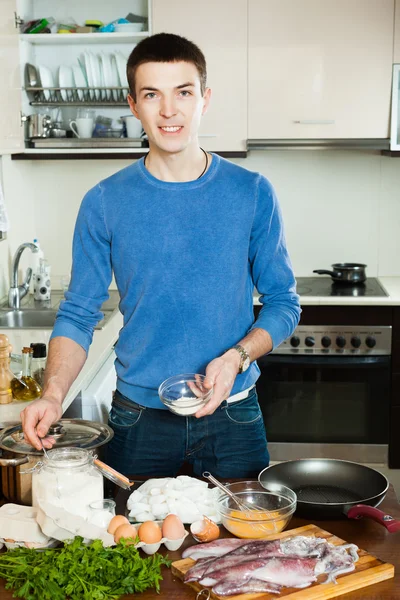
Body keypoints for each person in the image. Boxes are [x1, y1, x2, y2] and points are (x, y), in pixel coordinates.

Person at [21, 33, 300, 479]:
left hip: (233, 416)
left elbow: (284, 303)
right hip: (139, 422)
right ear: (134, 105)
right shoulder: (104, 201)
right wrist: (53, 394)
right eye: (153, 95)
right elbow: (78, 312)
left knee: (247, 545)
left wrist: (237, 359)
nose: (169, 111)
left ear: (204, 99)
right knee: (133, 545)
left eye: (183, 93)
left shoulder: (251, 192)